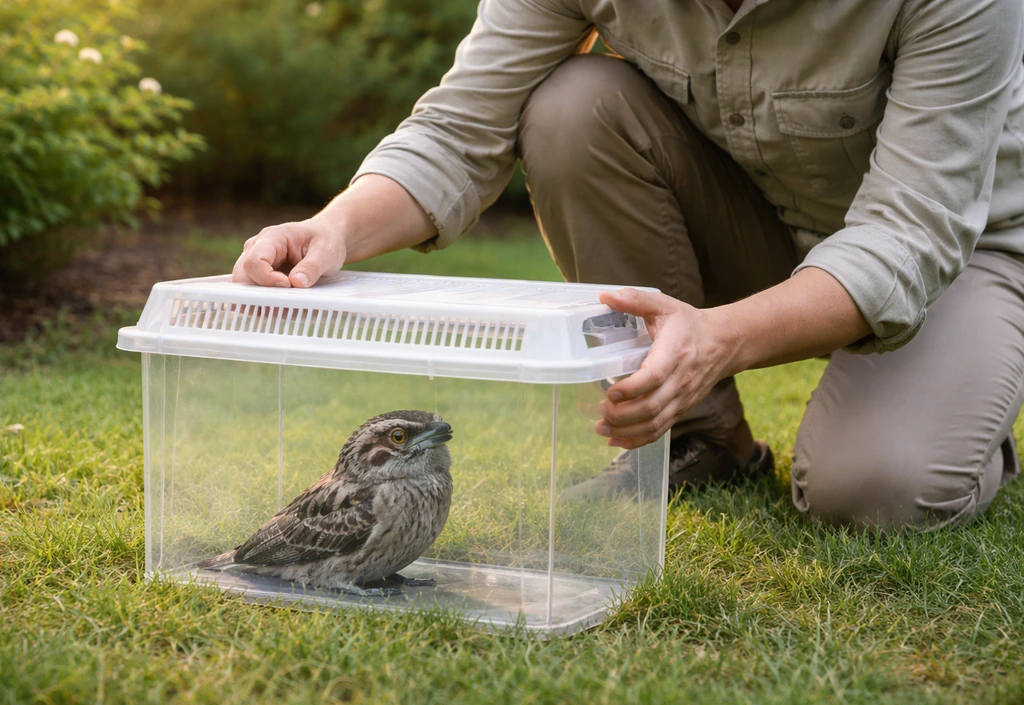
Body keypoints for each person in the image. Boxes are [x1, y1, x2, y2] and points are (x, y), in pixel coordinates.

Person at [232, 0, 1024, 532]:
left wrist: (721, 335)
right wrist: (331, 227)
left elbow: (909, 233)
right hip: (757, 216)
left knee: (874, 489)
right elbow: (459, 126)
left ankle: (967, 415)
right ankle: (702, 437)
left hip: (959, 246)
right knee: (573, 105)